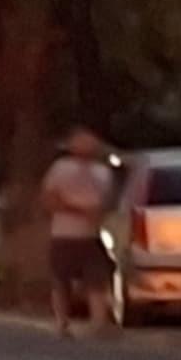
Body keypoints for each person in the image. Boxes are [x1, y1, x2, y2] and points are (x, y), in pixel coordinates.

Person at [43, 126, 124, 336]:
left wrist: (99, 214)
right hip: (63, 234)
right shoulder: (60, 169)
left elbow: (107, 201)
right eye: (82, 142)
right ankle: (62, 323)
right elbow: (49, 200)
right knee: (61, 280)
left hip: (92, 235)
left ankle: (99, 323)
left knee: (97, 278)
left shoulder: (103, 172)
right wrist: (80, 211)